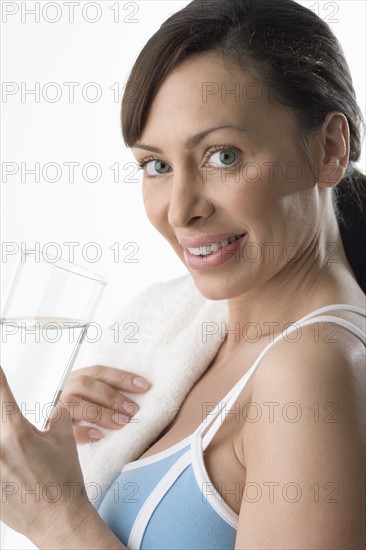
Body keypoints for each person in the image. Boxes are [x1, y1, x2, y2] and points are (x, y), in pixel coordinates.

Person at [1, 0, 365, 548]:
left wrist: (58, 518)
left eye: (222, 156)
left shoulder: (309, 370)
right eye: (157, 165)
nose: (179, 210)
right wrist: (74, 453)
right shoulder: (180, 339)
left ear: (329, 150)